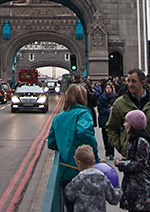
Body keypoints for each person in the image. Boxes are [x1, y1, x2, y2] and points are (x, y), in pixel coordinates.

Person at [106, 67, 150, 207]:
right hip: (132, 162)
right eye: (128, 81)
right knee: (134, 203)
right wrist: (121, 146)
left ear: (143, 82)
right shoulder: (120, 104)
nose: (130, 84)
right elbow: (111, 128)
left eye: (133, 81)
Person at [48, 83, 100, 211]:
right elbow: (84, 132)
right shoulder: (83, 114)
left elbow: (51, 143)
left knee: (70, 206)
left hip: (64, 169)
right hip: (83, 168)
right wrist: (94, 156)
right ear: (83, 98)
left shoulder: (58, 118)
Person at [115, 109, 150, 212]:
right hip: (137, 186)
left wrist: (121, 163)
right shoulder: (135, 139)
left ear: (133, 125)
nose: (125, 125)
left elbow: (139, 164)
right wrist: (125, 160)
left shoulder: (140, 141)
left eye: (127, 122)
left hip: (141, 187)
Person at [65, 144, 122, 212]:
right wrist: (118, 188)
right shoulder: (102, 178)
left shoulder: (77, 180)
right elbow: (114, 199)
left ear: (78, 162)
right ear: (94, 161)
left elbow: (69, 194)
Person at [98, 82, 117, 159]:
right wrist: (107, 110)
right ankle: (107, 150)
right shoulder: (101, 98)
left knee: (111, 136)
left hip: (112, 120)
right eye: (107, 88)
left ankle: (111, 152)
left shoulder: (115, 97)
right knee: (105, 137)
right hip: (104, 119)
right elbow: (100, 109)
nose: (108, 89)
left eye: (110, 88)